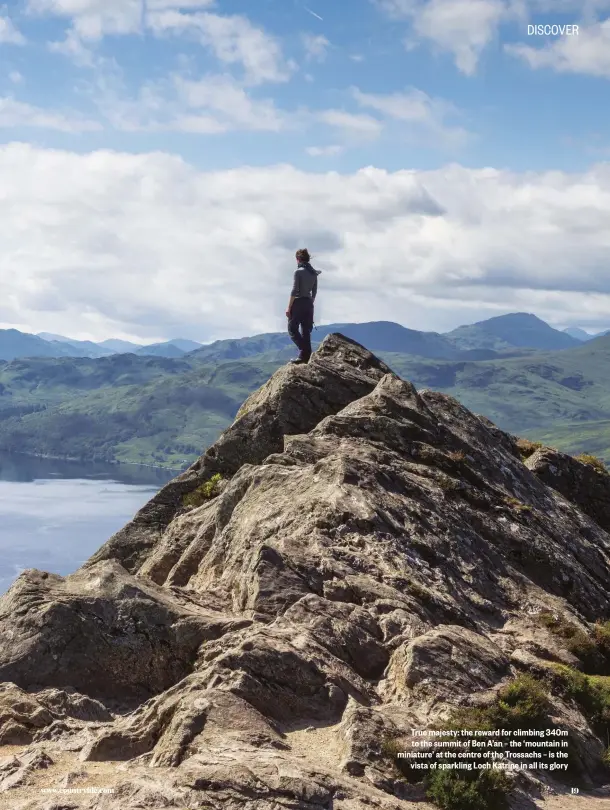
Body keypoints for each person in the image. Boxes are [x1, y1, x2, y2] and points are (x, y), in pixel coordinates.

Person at [286, 248, 321, 364]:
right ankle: (306, 356)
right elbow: (314, 292)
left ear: (298, 259)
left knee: (292, 329)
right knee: (306, 331)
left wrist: (289, 307)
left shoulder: (298, 272)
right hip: (309, 303)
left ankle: (304, 352)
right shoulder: (313, 273)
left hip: (299, 302)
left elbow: (294, 291)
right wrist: (310, 303)